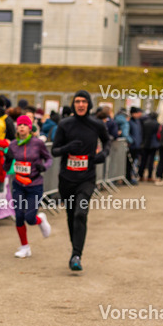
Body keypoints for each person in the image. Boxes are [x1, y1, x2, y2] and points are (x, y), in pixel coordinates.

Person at [50, 89, 110, 272]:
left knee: (80, 213)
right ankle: (75, 248)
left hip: (87, 178)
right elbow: (55, 150)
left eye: (84, 101)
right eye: (77, 101)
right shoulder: (65, 124)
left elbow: (107, 142)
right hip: (67, 178)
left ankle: (76, 255)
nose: (81, 105)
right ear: (74, 104)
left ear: (89, 104)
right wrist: (67, 148)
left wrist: (103, 154)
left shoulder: (97, 124)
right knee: (71, 215)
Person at [4, 114, 52, 257]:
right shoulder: (12, 145)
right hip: (18, 183)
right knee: (19, 215)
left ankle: (40, 219)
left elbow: (48, 158)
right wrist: (7, 160)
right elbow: (6, 168)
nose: (22, 127)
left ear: (30, 128)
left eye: (25, 125)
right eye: (19, 125)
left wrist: (44, 166)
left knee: (30, 218)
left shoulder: (38, 143)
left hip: (34, 184)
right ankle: (24, 247)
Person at [140, 110, 160, 182]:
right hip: (153, 144)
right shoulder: (157, 124)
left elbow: (142, 133)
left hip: (145, 143)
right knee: (151, 161)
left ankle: (141, 175)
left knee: (143, 160)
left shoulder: (145, 123)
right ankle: (149, 176)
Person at [125, 107, 143, 184]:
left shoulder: (138, 122)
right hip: (132, 146)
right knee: (129, 163)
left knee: (135, 163)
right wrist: (131, 141)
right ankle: (128, 177)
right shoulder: (129, 122)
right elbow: (127, 133)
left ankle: (133, 176)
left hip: (137, 145)